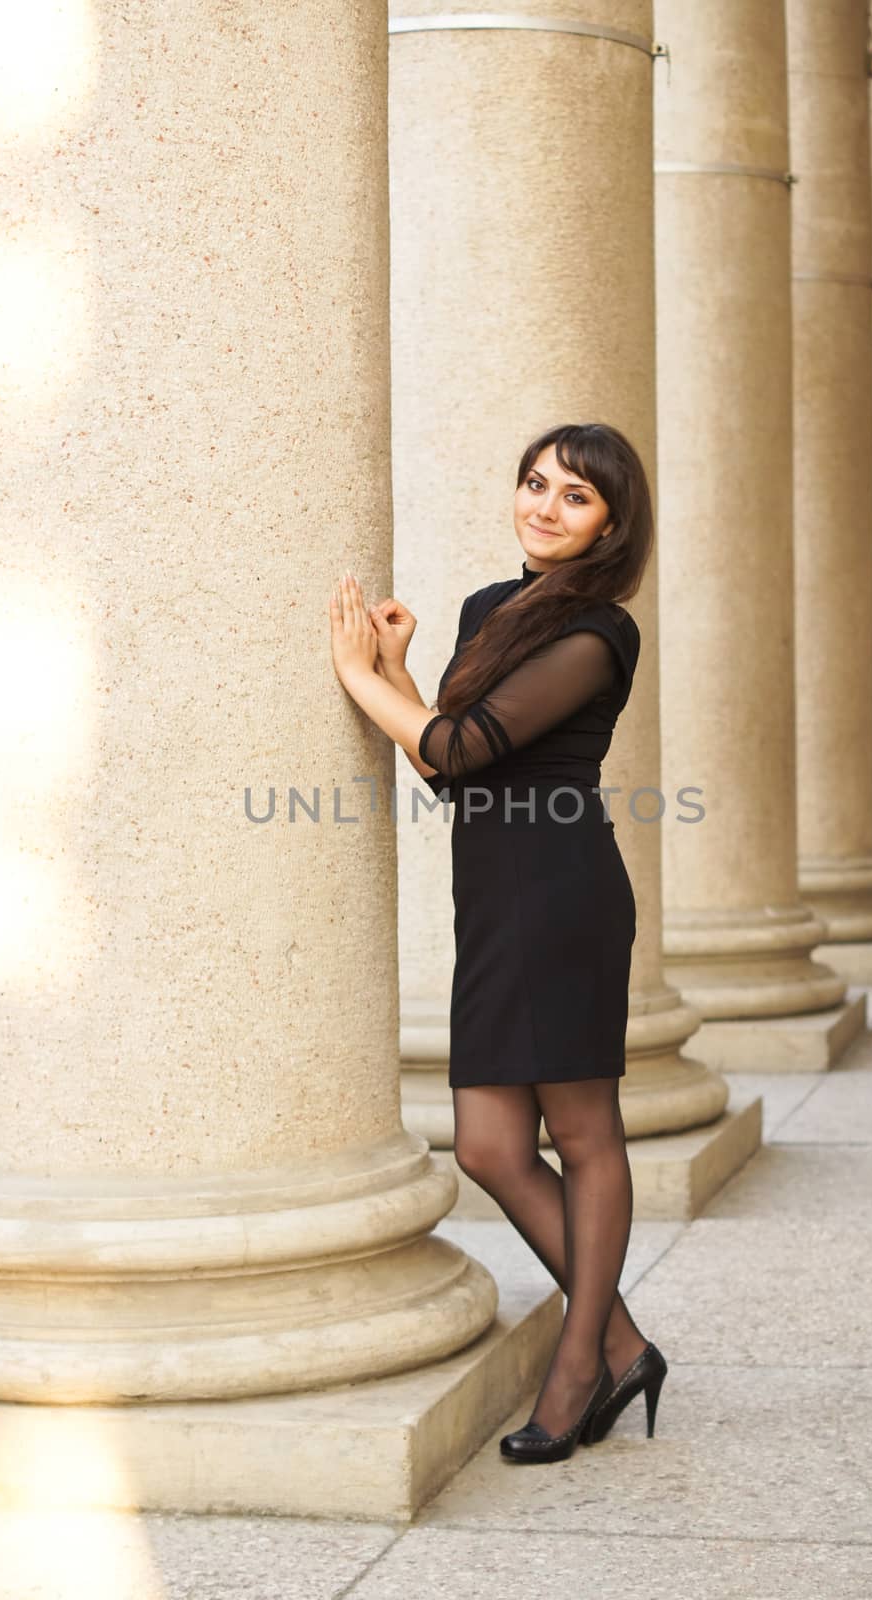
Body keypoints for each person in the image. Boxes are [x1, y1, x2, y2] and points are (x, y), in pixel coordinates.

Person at [329, 421, 667, 1463]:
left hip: (561, 895)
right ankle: (620, 1342)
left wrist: (358, 673)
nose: (544, 506)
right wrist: (399, 666)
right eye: (534, 482)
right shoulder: (491, 607)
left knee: (583, 1130)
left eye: (574, 496)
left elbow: (458, 746)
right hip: (495, 895)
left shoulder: (600, 631)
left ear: (611, 523)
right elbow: (453, 761)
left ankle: (579, 1371)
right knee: (485, 1143)